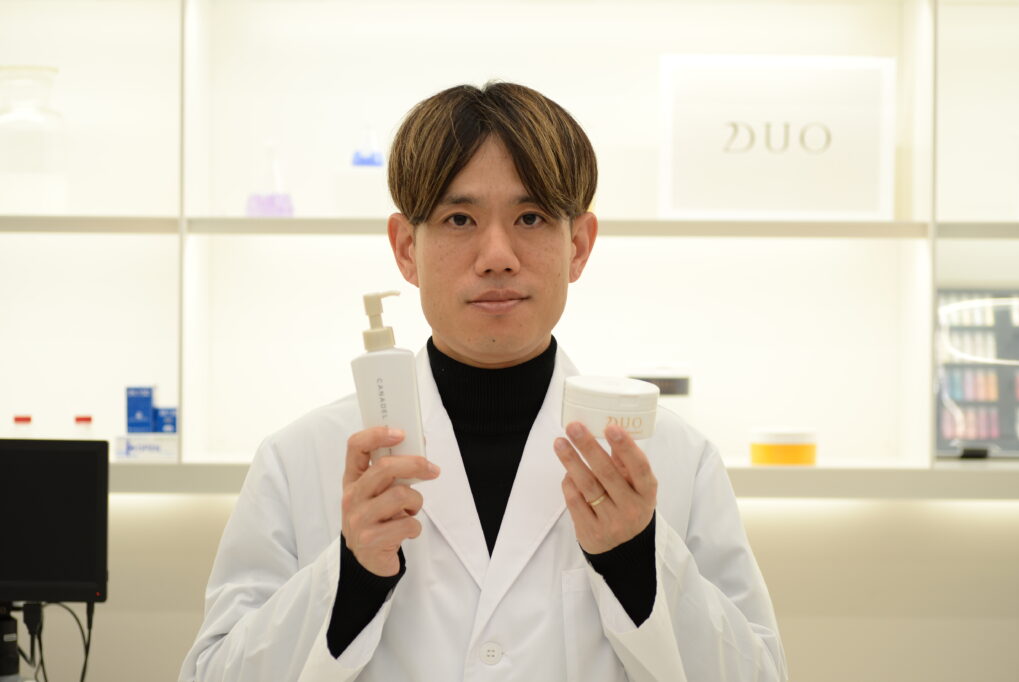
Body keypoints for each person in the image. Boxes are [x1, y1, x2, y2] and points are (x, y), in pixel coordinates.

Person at [179, 81, 786, 682]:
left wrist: (639, 563)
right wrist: (349, 576)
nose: (497, 255)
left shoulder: (677, 459)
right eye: (460, 218)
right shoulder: (298, 459)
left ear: (578, 245)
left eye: (531, 216)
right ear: (405, 249)